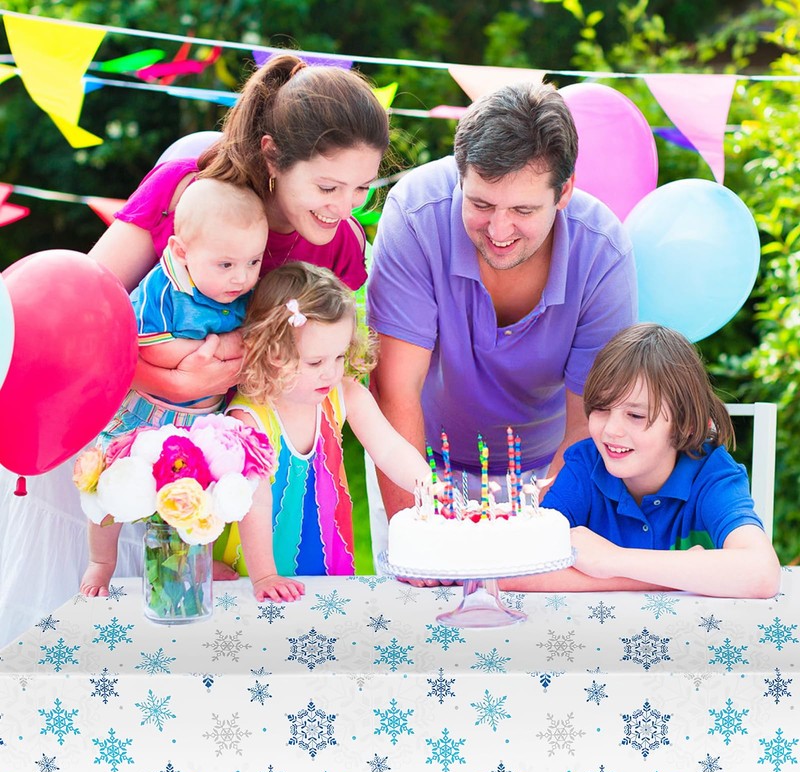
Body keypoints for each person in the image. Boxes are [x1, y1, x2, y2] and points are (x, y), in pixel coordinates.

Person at [0, 54, 390, 647]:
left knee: (184, 630)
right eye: (328, 186)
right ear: (272, 154)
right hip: (112, 426)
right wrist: (156, 379)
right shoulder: (188, 187)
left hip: (203, 462)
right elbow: (80, 314)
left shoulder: (337, 247)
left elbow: (320, 364)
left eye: (362, 187)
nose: (344, 205)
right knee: (87, 604)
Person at [365, 80, 637, 571]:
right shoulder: (414, 213)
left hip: (546, 471)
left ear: (565, 192)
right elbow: (394, 388)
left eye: (524, 210)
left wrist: (538, 539)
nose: (499, 230)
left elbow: (589, 424)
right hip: (415, 461)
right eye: (482, 205)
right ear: (459, 175)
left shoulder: (603, 251)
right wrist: (423, 543)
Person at [80, 178, 268, 597]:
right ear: (183, 252)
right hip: (146, 411)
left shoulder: (232, 283)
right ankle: (101, 562)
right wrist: (214, 350)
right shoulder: (163, 289)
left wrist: (217, 350)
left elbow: (252, 336)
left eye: (253, 262)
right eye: (227, 265)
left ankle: (192, 560)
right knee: (112, 486)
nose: (242, 277)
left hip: (201, 419)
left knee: (191, 492)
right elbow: (148, 346)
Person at [501, 323, 781, 598]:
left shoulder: (712, 475)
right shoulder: (585, 465)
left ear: (687, 426)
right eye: (601, 408)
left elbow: (762, 573)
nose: (611, 430)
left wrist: (612, 560)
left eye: (635, 416)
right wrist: (669, 580)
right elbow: (518, 568)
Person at [214, 261, 437, 602]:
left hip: (329, 554)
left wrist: (430, 487)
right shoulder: (250, 420)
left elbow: (391, 450)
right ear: (274, 353)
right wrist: (265, 576)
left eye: (339, 356)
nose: (331, 373)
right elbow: (255, 505)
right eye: (315, 362)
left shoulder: (343, 394)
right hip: (256, 569)